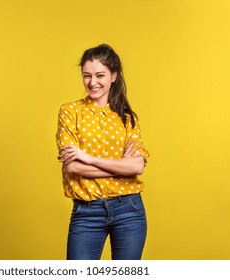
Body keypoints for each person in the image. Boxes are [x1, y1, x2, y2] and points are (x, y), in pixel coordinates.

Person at [56, 44, 150, 260]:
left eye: (100, 75)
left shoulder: (127, 118)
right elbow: (73, 167)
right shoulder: (70, 112)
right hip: (87, 212)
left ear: (113, 76)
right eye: (86, 76)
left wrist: (88, 158)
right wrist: (121, 167)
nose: (92, 82)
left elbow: (137, 167)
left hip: (129, 210)